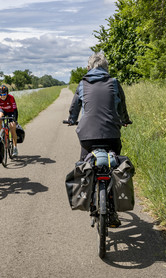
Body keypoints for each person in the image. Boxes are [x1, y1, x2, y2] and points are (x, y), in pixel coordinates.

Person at [67, 52, 132, 227]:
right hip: (111, 133)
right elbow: (122, 107)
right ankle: (112, 208)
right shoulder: (114, 83)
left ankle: (88, 200)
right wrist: (125, 120)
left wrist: (72, 120)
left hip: (87, 136)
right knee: (114, 165)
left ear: (89, 68)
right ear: (106, 68)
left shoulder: (82, 84)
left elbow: (74, 108)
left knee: (84, 164)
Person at [0, 85, 19, 157]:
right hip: (3, 110)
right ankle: (1, 134)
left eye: (4, 94)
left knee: (12, 128)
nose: (3, 96)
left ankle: (15, 148)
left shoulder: (11, 98)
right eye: (1, 94)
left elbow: (15, 110)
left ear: (7, 93)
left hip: (11, 112)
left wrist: (15, 120)